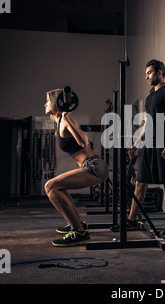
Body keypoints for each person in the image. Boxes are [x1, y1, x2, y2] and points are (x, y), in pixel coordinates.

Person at [44, 89, 109, 247]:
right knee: (58, 188)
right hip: (89, 166)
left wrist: (67, 117)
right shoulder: (60, 122)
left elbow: (83, 142)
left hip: (94, 166)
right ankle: (77, 224)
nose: (45, 104)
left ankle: (79, 231)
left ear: (55, 102)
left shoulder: (66, 119)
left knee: (51, 186)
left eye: (47, 101)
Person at [126, 59, 165, 235]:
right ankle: (131, 220)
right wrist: (136, 143)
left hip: (164, 145)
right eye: (146, 73)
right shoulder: (150, 97)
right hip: (148, 145)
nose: (146, 76)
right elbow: (148, 124)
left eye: (149, 72)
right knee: (140, 182)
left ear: (160, 72)